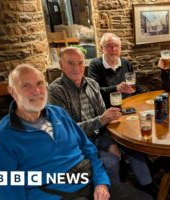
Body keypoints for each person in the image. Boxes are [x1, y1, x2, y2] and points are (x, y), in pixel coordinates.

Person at [0, 64, 152, 200]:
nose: (37, 91)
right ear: (12, 92)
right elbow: (8, 188)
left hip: (88, 180)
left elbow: (89, 149)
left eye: (39, 83)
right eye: (26, 86)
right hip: (54, 194)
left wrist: (101, 182)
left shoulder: (58, 113)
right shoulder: (2, 138)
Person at [48, 47, 154, 195]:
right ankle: (114, 192)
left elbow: (103, 120)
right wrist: (101, 120)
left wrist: (110, 142)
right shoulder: (56, 91)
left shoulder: (92, 84)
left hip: (100, 136)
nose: (76, 68)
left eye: (79, 63)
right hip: (78, 145)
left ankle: (147, 188)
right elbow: (68, 131)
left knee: (133, 146)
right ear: (61, 65)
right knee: (111, 161)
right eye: (70, 63)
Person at [88, 33, 144, 108]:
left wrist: (148, 98)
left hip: (129, 105)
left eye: (116, 46)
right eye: (109, 46)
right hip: (108, 108)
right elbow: (93, 91)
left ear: (120, 48)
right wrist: (116, 88)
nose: (113, 49)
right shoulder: (95, 65)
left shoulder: (126, 63)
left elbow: (135, 86)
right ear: (102, 48)